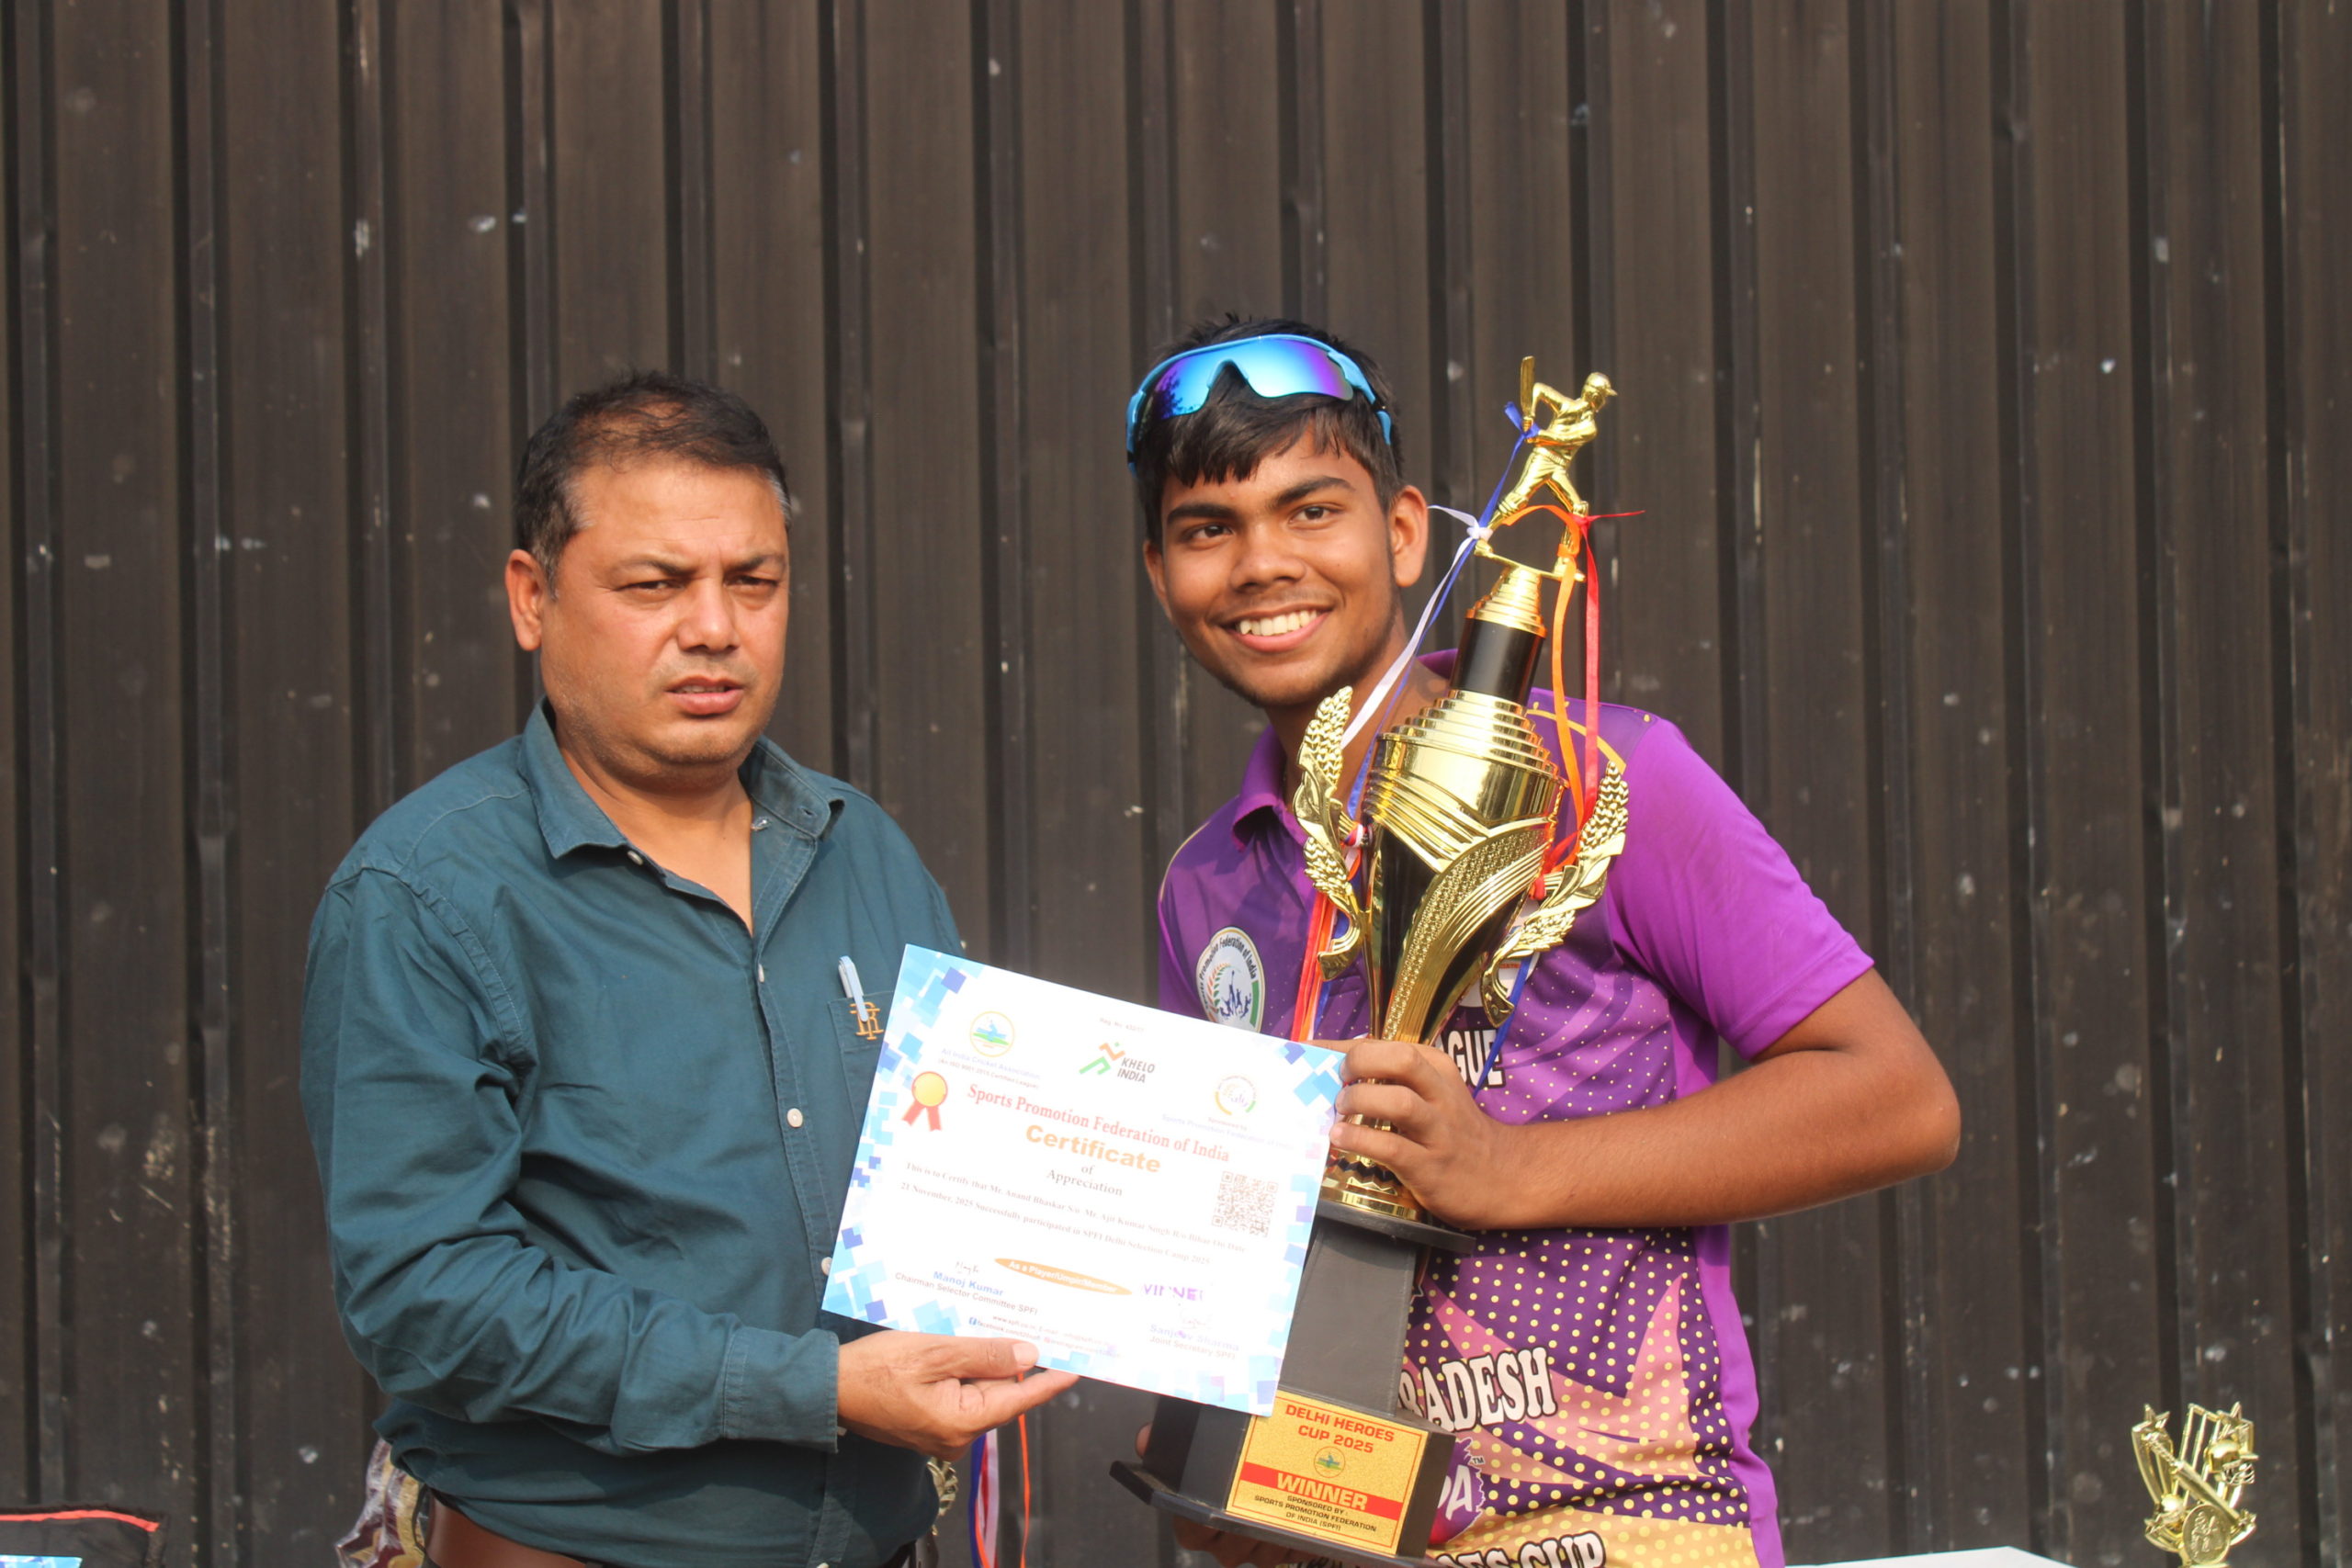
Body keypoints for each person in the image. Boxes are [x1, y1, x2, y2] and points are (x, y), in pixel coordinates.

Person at [1130, 321, 1961, 1568]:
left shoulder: (1606, 781)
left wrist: (1507, 1172)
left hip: (1633, 1525)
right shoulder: (1208, 886)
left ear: (1406, 533)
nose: (1261, 564)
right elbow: (1227, 1265)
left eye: (1311, 511)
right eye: (1209, 528)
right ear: (1158, 573)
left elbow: (1898, 1100)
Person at [302, 372, 1074, 1568]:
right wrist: (809, 1387)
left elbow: (984, 1163)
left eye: (752, 582)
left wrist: (1223, 1166)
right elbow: (427, 1301)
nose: (713, 626)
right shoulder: (427, 894)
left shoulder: (860, 849)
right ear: (531, 597)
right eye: (654, 584)